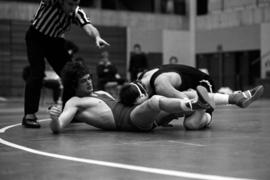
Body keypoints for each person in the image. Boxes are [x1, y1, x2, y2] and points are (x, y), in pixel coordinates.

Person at [49, 61, 213, 134]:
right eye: (83, 81)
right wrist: (55, 119)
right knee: (155, 101)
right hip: (130, 121)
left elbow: (122, 103)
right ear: (73, 84)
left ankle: (207, 114)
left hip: (137, 113)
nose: (89, 82)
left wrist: (138, 100)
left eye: (89, 78)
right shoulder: (74, 102)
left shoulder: (100, 93)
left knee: (190, 105)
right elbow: (59, 126)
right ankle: (195, 105)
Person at [23, 0, 110, 128]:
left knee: (71, 75)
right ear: (61, 2)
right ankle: (29, 115)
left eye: (75, 4)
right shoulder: (50, 2)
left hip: (55, 43)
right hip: (36, 38)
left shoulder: (76, 12)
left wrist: (96, 37)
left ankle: (68, 112)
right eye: (70, 4)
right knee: (37, 73)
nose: (73, 8)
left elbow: (89, 27)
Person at [121, 64, 264, 130]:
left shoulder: (161, 85)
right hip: (190, 87)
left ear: (143, 94)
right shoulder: (143, 77)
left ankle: (235, 98)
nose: (139, 106)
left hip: (201, 85)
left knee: (191, 124)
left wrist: (167, 114)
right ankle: (234, 97)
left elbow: (187, 105)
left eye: (138, 104)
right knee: (176, 102)